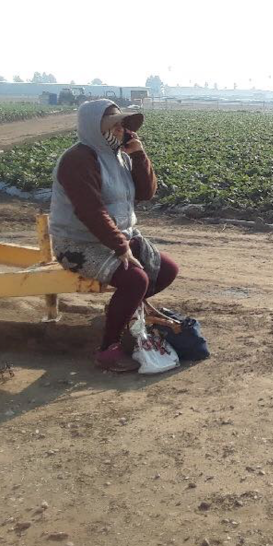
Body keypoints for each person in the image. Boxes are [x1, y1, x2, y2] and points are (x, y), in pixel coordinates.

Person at [49, 99, 179, 372]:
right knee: (135, 279)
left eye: (122, 125)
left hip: (119, 235)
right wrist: (121, 247)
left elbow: (145, 194)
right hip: (78, 243)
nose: (120, 130)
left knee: (166, 270)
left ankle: (120, 312)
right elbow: (91, 210)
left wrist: (139, 156)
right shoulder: (78, 159)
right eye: (113, 125)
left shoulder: (119, 155)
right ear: (94, 128)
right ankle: (108, 349)